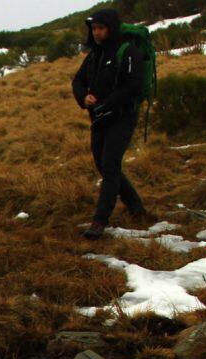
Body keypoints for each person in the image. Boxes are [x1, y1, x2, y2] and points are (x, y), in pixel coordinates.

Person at [71, 8, 147, 239]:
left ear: (111, 28)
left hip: (122, 117)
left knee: (110, 164)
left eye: (100, 28)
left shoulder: (128, 51)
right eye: (93, 28)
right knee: (103, 165)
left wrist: (108, 103)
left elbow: (134, 85)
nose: (96, 33)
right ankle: (135, 206)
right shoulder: (95, 55)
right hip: (100, 119)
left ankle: (99, 221)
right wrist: (84, 97)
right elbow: (78, 81)